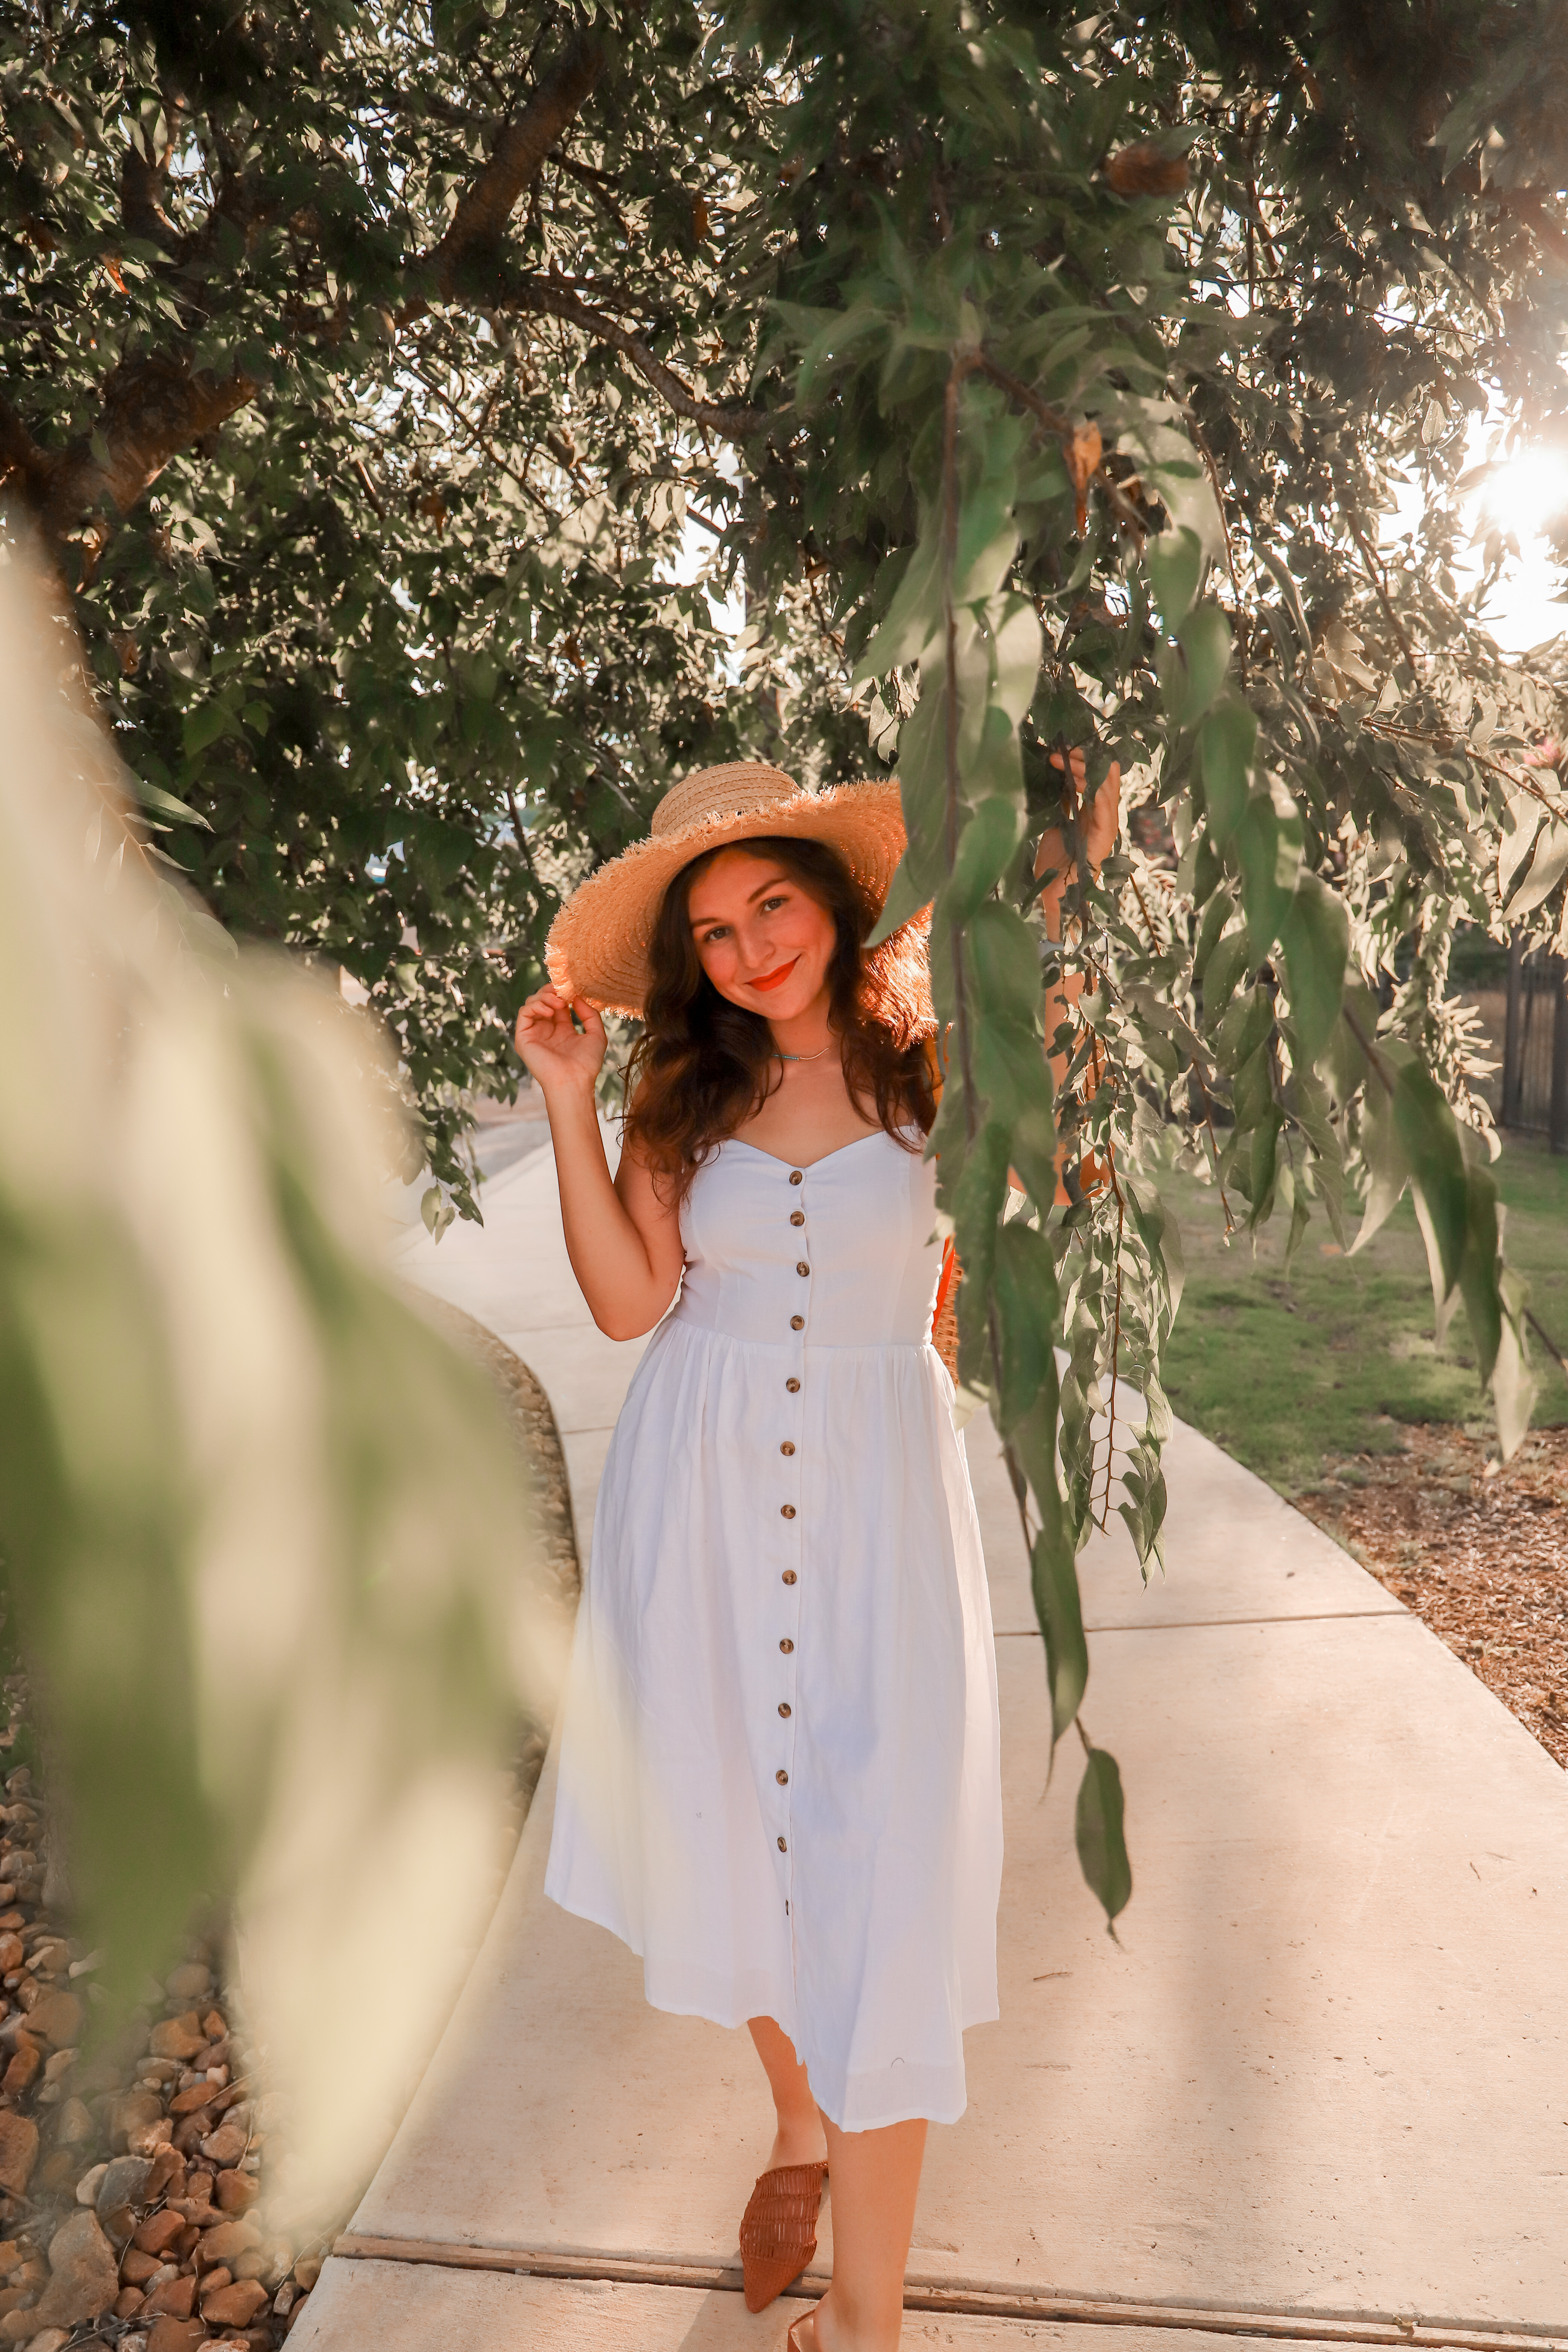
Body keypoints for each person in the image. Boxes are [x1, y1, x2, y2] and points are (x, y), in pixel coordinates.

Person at [514, 752, 1116, 2352]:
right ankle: (798, 2117)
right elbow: (629, 1305)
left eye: (768, 903)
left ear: (836, 905)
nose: (746, 947)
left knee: (884, 1868)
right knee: (739, 1821)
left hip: (873, 1503)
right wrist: (567, 1103)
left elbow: (1030, 1221)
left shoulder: (938, 1074)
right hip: (696, 1495)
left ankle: (868, 2315)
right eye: (709, 931)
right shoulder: (682, 1094)